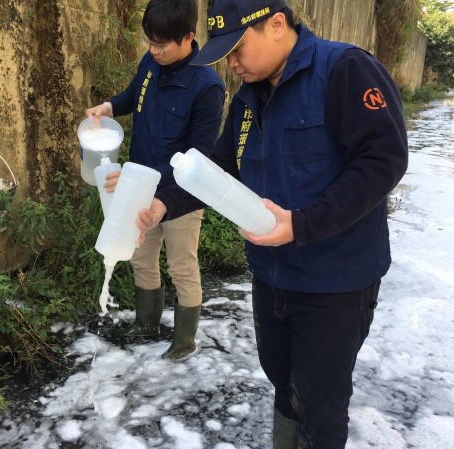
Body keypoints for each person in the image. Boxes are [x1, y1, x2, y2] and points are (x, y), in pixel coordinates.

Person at [136, 0, 409, 447]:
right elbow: (218, 170)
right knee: (283, 381)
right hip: (271, 276)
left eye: (239, 48)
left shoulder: (344, 70)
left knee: (321, 402)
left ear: (277, 25)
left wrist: (301, 224)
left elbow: (383, 160)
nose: (233, 63)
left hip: (335, 282)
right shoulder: (250, 99)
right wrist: (163, 204)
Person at [85, 0, 225, 360]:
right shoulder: (151, 62)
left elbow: (198, 158)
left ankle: (183, 341)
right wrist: (110, 107)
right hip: (137, 189)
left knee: (182, 266)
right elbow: (135, 94)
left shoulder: (207, 87)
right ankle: (147, 322)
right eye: (149, 42)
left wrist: (139, 177)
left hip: (179, 195)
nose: (153, 51)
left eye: (161, 45)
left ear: (189, 37)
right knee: (140, 256)